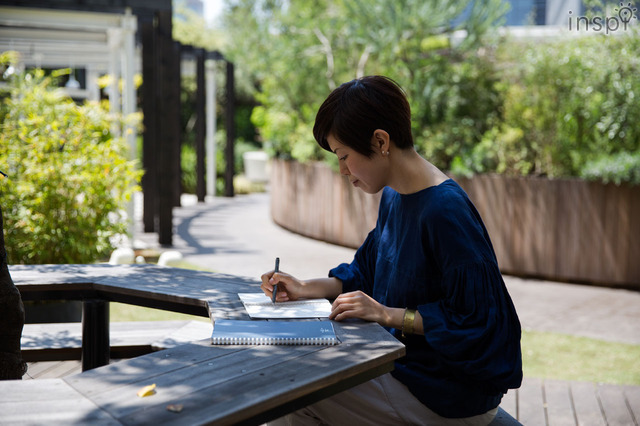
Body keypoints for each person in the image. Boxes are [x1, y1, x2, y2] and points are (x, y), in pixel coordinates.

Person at [261, 75, 522, 425]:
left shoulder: (444, 211)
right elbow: (363, 274)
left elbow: (480, 323)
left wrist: (388, 315)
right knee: (290, 382)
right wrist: (305, 288)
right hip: (402, 371)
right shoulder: (394, 196)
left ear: (381, 141)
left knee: (289, 390)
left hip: (446, 393)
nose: (342, 171)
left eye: (344, 156)